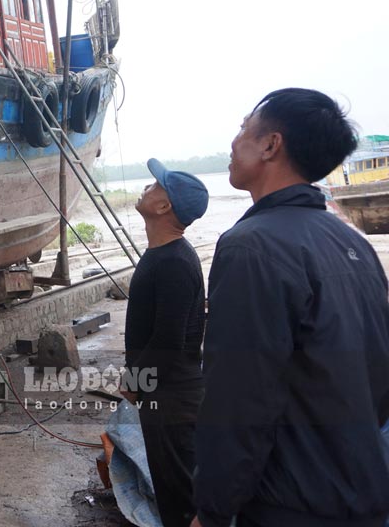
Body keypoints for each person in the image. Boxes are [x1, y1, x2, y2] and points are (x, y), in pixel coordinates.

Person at [192, 88, 389, 527]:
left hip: (290, 505)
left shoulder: (250, 247)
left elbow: (238, 397)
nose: (232, 143)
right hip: (365, 493)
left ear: (270, 145)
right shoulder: (352, 243)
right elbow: (378, 382)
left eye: (243, 129)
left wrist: (212, 509)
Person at [123, 158, 209, 527]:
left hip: (173, 398)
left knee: (180, 498)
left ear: (163, 206)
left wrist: (134, 383)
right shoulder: (164, 254)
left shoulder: (174, 262)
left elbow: (168, 340)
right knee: (171, 489)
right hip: (166, 392)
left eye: (155, 186)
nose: (147, 188)